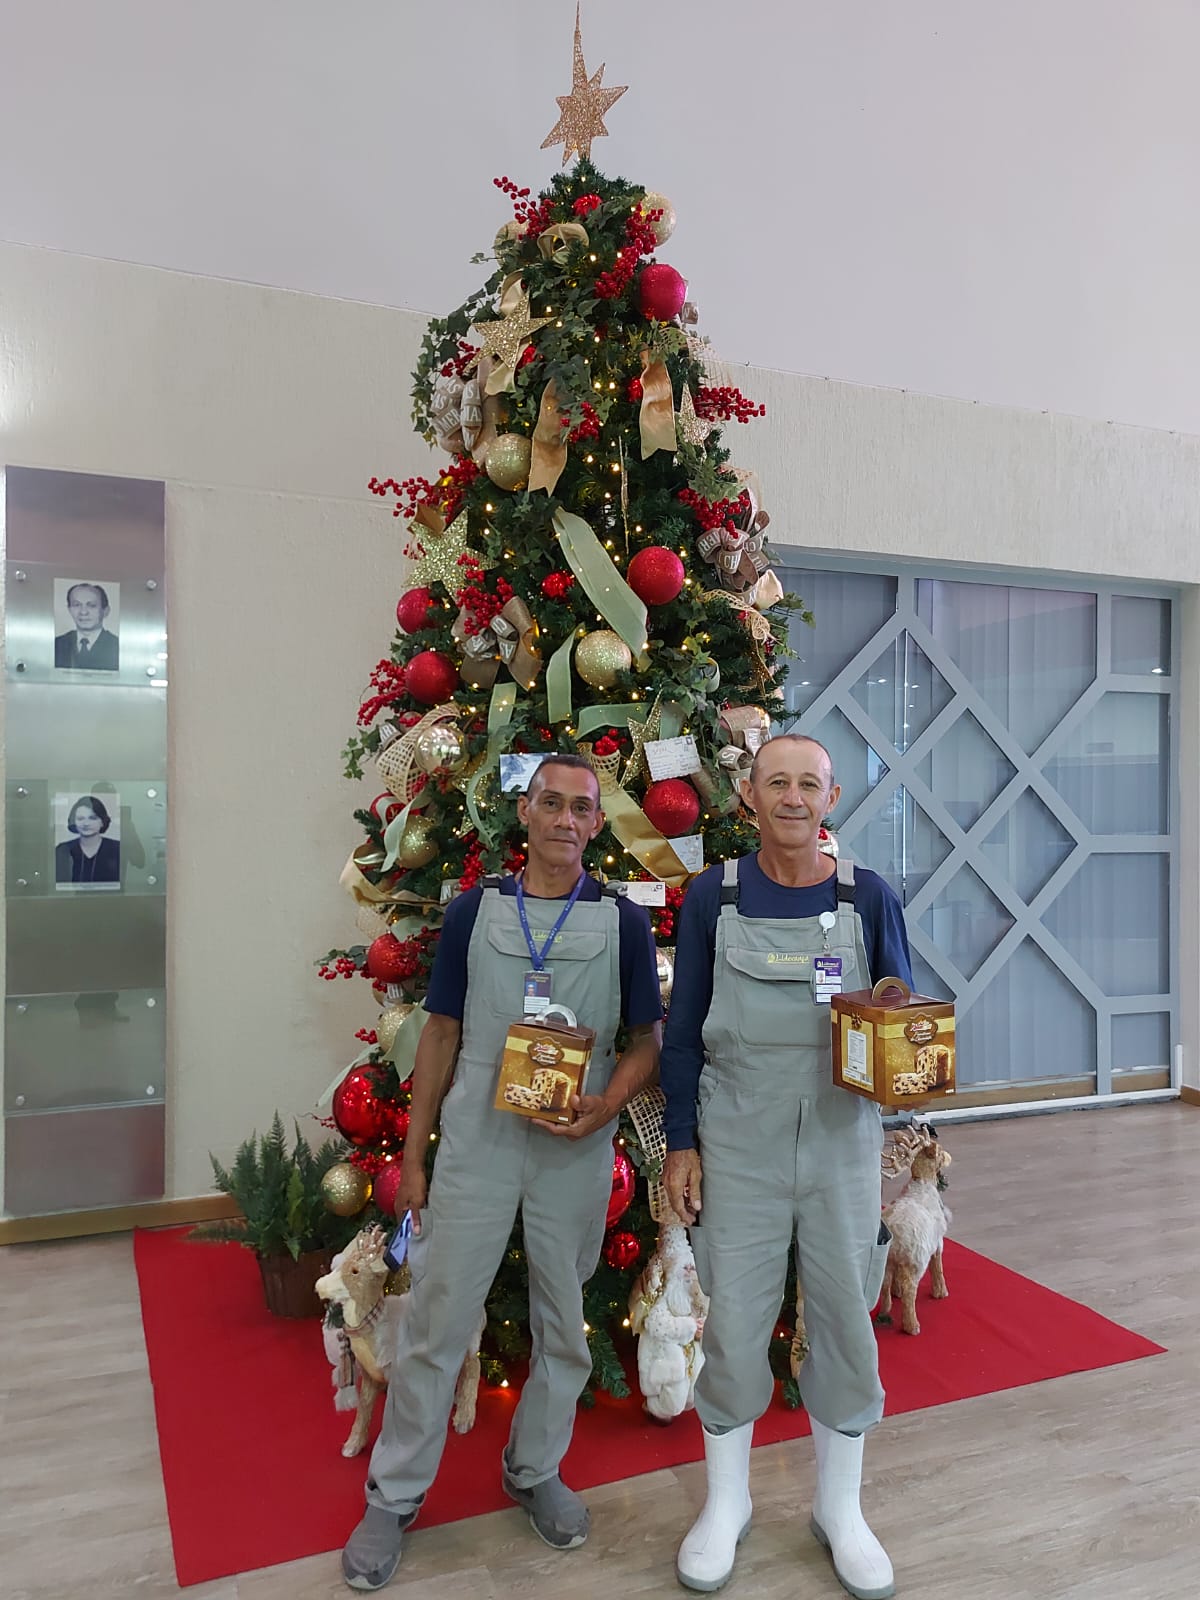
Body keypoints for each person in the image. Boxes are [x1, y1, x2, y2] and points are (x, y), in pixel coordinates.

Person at [341, 753, 663, 1592]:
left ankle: (534, 1471)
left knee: (565, 1324)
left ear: (597, 824)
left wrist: (606, 1107)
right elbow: (441, 1032)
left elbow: (648, 1040)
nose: (563, 819)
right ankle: (394, 1494)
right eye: (548, 804)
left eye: (580, 808)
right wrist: (414, 1158)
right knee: (440, 1317)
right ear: (524, 816)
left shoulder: (624, 923)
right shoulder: (475, 913)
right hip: (479, 1143)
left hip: (573, 1141)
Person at [661, 734, 912, 1599]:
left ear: (832, 797)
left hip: (841, 1139)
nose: (794, 797)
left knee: (844, 1314)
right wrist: (682, 1144)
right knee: (734, 1319)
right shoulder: (712, 897)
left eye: (810, 783)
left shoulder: (868, 897)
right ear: (750, 798)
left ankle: (840, 1511)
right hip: (738, 1139)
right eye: (778, 782)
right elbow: (684, 1029)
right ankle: (725, 1506)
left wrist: (906, 1042)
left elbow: (899, 1013)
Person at [55, 795, 121, 885]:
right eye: (80, 818)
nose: (86, 823)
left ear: (102, 822)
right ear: (73, 822)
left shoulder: (117, 848)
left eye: (92, 818)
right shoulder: (63, 850)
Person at [54, 583, 119, 670]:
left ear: (105, 611)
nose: (83, 612)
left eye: (91, 605)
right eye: (77, 605)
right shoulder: (57, 644)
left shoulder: (117, 645)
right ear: (69, 610)